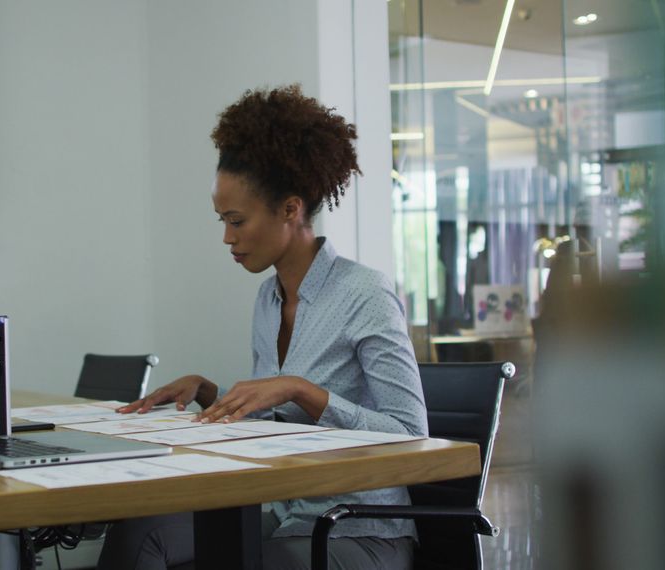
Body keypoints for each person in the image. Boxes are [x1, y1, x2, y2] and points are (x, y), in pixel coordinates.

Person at [97, 85, 428, 570]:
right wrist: (213, 393)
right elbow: (276, 427)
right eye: (222, 220)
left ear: (291, 210)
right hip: (285, 514)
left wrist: (301, 390)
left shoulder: (365, 294)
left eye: (237, 220)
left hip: (357, 530)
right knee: (141, 532)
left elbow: (412, 435)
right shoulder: (269, 299)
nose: (227, 237)